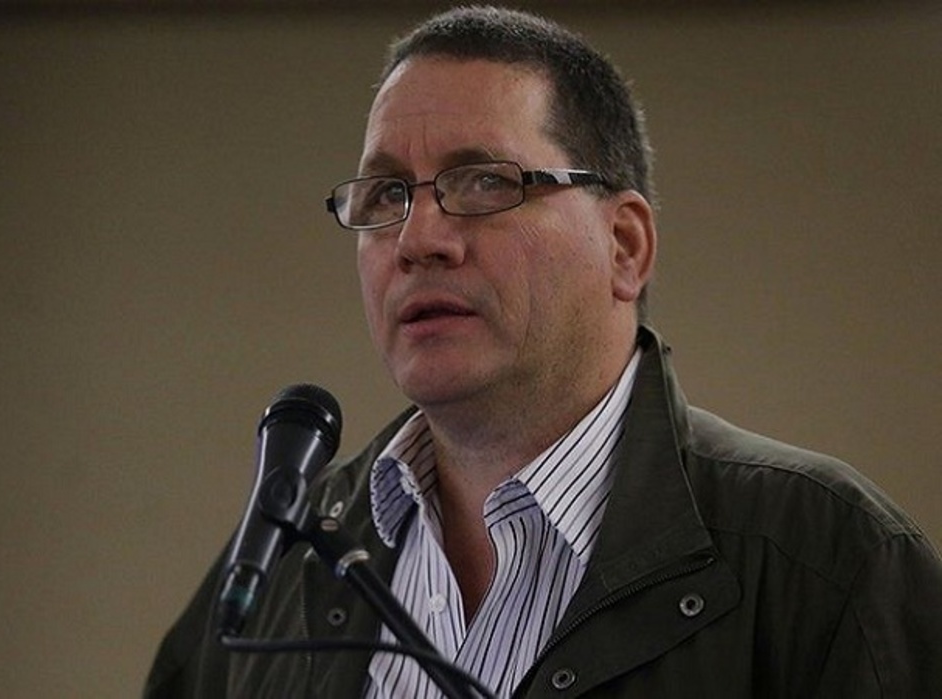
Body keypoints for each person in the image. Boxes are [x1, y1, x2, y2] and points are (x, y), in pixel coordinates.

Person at [144, 6, 942, 697]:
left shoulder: (831, 561)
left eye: (484, 182)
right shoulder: (279, 568)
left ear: (624, 246)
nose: (418, 239)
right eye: (387, 193)